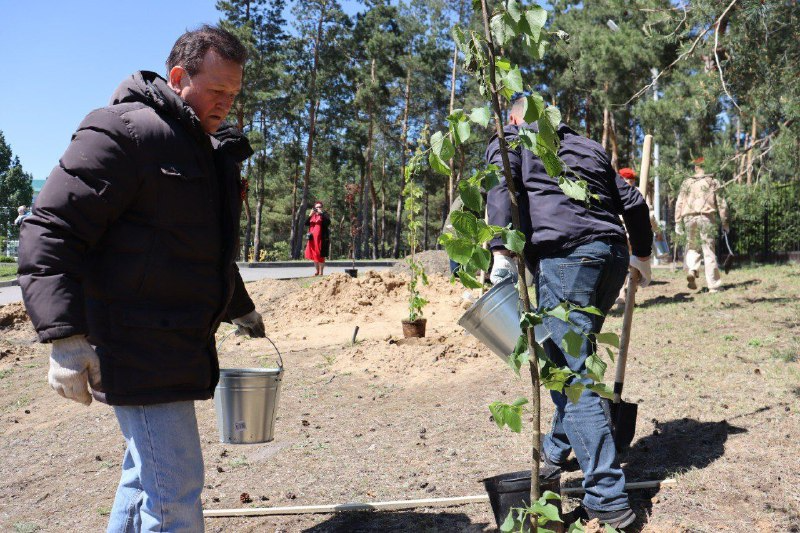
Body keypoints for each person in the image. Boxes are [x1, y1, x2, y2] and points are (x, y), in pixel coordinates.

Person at [18, 25, 266, 532]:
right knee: (175, 490)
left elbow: (201, 250)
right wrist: (65, 337)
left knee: (145, 479)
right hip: (134, 345)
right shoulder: (124, 132)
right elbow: (49, 230)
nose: (226, 104)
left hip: (173, 343)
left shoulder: (203, 149)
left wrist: (239, 306)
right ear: (178, 77)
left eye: (234, 94)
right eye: (217, 90)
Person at [485, 98, 653, 529]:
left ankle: (608, 497)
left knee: (569, 376)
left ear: (515, 118)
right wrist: (643, 256)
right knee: (571, 363)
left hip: (566, 260)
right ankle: (555, 454)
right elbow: (633, 201)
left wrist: (501, 251)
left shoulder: (513, 140)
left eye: (509, 120)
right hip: (610, 256)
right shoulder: (589, 147)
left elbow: (503, 186)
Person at [674, 157, 729, 292]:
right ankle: (714, 285)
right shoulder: (712, 181)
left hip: (688, 218)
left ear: (695, 167)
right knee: (708, 250)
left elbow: (679, 202)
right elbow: (722, 204)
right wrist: (725, 222)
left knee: (692, 247)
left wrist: (677, 221)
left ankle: (692, 269)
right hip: (706, 217)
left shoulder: (687, 182)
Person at [304, 201, 331, 276]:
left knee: (321, 255)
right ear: (314, 208)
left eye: (319, 207)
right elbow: (306, 224)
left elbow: (328, 222)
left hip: (321, 239)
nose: (318, 208)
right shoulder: (312, 215)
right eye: (316, 207)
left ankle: (321, 272)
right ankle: (317, 271)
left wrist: (321, 213)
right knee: (314, 255)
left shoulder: (324, 215)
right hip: (312, 239)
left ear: (322, 208)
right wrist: (310, 214)